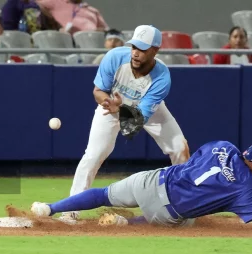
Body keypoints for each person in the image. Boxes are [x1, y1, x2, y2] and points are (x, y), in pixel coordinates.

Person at [31, 140, 252, 232]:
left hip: (151, 179)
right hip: (165, 210)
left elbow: (195, 160)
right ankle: (130, 222)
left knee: (102, 194)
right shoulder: (247, 189)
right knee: (190, 218)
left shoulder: (223, 145)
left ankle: (49, 208)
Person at [58, 25, 190, 224]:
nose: (136, 53)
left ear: (156, 50)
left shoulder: (162, 77)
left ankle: (187, 204)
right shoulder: (114, 57)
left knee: (180, 147)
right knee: (93, 155)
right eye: (134, 47)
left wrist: (121, 110)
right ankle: (71, 210)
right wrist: (109, 103)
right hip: (110, 107)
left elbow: (135, 124)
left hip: (144, 111)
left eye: (143, 49)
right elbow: (98, 91)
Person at [35, 0, 108, 34]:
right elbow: (34, 3)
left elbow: (108, 31)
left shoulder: (92, 10)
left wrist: (99, 31)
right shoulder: (55, 2)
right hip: (65, 40)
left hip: (91, 42)